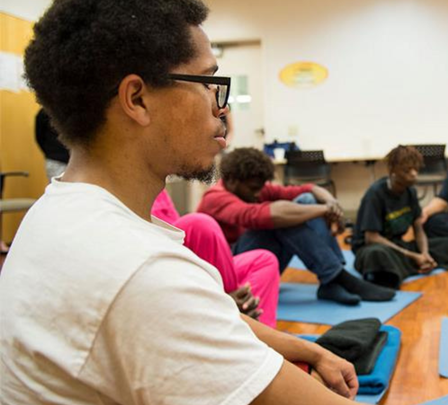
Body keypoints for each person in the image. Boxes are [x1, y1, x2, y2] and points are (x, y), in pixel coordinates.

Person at [0, 1, 360, 403]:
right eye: (207, 82)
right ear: (137, 99)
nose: (220, 107)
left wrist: (309, 348)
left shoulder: (56, 212)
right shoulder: (141, 272)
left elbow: (212, 315)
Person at [197, 147, 396, 306]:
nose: (258, 194)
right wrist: (324, 210)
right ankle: (337, 278)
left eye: (260, 188)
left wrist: (330, 203)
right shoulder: (215, 198)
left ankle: (333, 278)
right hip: (227, 273)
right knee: (280, 219)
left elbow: (309, 189)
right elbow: (257, 216)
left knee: (306, 200)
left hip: (257, 262)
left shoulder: (252, 189)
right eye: (253, 189)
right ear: (231, 180)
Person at [152, 189, 280, 327]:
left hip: (189, 260)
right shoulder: (215, 196)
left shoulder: (159, 189)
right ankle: (232, 316)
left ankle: (259, 332)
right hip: (159, 263)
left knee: (264, 260)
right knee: (199, 223)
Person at [351, 145, 438, 289]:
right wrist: (412, 255)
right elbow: (371, 238)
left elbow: (418, 228)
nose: (414, 174)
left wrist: (424, 253)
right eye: (407, 170)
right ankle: (406, 266)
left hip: (396, 245)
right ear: (393, 170)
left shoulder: (411, 192)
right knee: (377, 255)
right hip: (370, 249)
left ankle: (421, 263)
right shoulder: (375, 194)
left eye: (416, 169)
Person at [35, 108, 70, 180]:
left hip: (57, 158)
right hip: (55, 160)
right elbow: (39, 136)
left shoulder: (76, 111)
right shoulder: (45, 112)